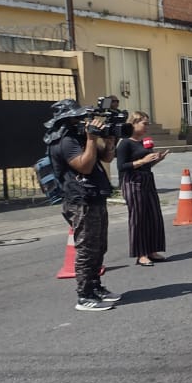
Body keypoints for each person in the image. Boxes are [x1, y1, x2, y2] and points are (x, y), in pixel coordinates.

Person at [44, 99, 122, 311]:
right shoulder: (66, 141)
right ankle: (84, 295)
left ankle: (95, 287)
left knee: (99, 246)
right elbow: (85, 167)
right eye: (78, 117)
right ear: (67, 120)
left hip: (94, 195)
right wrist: (90, 138)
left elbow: (106, 157)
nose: (83, 120)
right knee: (86, 248)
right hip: (80, 200)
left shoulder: (79, 136)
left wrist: (110, 137)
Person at [116, 111, 168, 267]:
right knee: (138, 218)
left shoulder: (143, 142)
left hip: (147, 179)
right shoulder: (125, 143)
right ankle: (141, 253)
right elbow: (122, 167)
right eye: (144, 123)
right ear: (134, 123)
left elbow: (146, 163)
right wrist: (142, 160)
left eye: (147, 124)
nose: (147, 127)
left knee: (153, 215)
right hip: (132, 181)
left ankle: (152, 249)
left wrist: (156, 160)